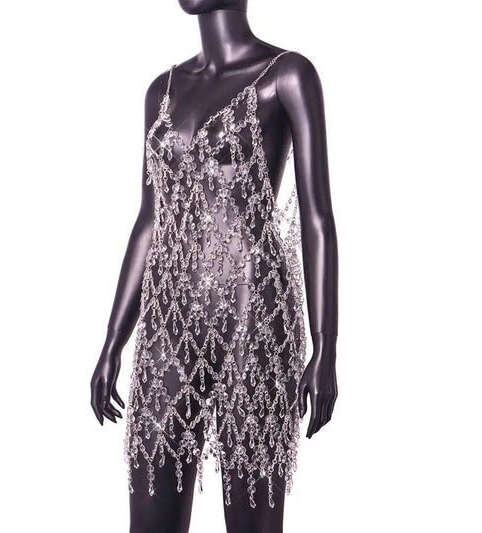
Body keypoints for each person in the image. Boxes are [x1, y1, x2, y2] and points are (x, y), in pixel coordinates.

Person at [91, 1, 338, 531]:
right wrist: (113, 340)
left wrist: (326, 346)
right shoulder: (162, 90)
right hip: (168, 323)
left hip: (256, 318)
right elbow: (150, 219)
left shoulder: (287, 75)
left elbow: (317, 217)